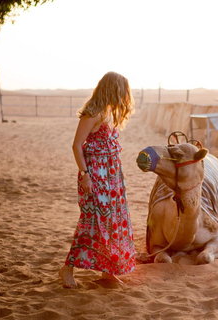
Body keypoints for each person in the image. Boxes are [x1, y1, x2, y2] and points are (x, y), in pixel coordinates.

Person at [59, 71, 136, 288]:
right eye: (122, 92)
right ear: (112, 89)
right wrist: (85, 176)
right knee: (92, 223)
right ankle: (67, 269)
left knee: (110, 224)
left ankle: (108, 272)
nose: (123, 97)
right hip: (96, 177)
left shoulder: (107, 112)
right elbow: (76, 145)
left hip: (111, 180)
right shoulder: (92, 113)